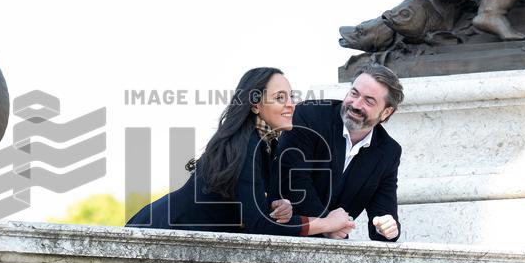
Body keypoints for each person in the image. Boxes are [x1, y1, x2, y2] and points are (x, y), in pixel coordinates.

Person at [126, 67, 358, 238]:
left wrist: (277, 206)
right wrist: (326, 224)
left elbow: (251, 210)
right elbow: (259, 225)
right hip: (161, 231)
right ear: (256, 105)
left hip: (182, 239)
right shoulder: (245, 143)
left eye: (291, 97)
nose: (291, 105)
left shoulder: (267, 143)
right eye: (280, 98)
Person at [278, 62, 403, 243]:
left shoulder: (389, 152)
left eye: (369, 101)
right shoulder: (308, 115)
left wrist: (388, 228)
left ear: (386, 112)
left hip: (333, 245)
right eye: (354, 93)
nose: (356, 104)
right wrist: (327, 224)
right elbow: (292, 179)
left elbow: (383, 211)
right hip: (283, 232)